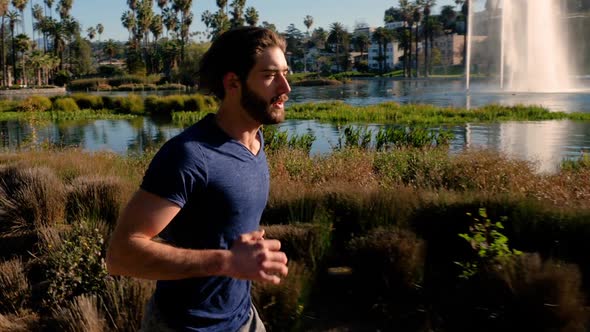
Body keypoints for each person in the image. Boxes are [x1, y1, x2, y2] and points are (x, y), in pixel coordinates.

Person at [106, 26, 291, 332]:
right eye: (270, 74)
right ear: (233, 83)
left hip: (243, 318)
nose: (285, 87)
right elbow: (121, 254)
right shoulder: (189, 155)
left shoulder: (255, 139)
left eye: (286, 72)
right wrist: (227, 261)